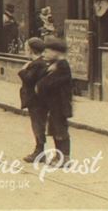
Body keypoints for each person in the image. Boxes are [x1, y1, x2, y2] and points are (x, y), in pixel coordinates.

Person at [35, 37, 73, 166]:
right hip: (55, 104)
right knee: (55, 129)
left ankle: (64, 158)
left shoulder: (62, 66)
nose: (44, 54)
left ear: (56, 52)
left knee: (60, 130)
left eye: (47, 51)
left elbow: (48, 84)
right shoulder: (55, 65)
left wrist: (41, 85)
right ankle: (59, 156)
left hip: (60, 105)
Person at [18, 37, 49, 161]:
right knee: (37, 124)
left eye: (26, 48)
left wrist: (23, 70)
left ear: (31, 50)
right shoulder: (40, 63)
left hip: (37, 100)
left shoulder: (37, 64)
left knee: (38, 124)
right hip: (37, 99)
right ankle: (39, 150)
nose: (25, 51)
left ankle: (40, 151)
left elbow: (29, 79)